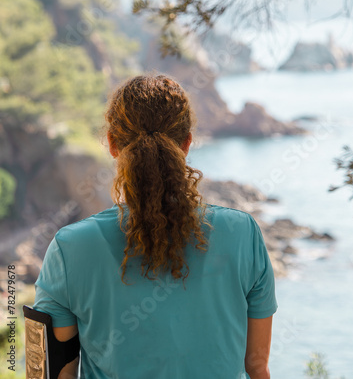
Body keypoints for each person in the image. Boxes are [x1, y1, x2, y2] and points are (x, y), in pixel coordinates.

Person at [33, 73, 278, 379]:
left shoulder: (68, 249)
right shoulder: (243, 234)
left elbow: (47, 373)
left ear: (112, 143)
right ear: (187, 143)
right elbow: (257, 367)